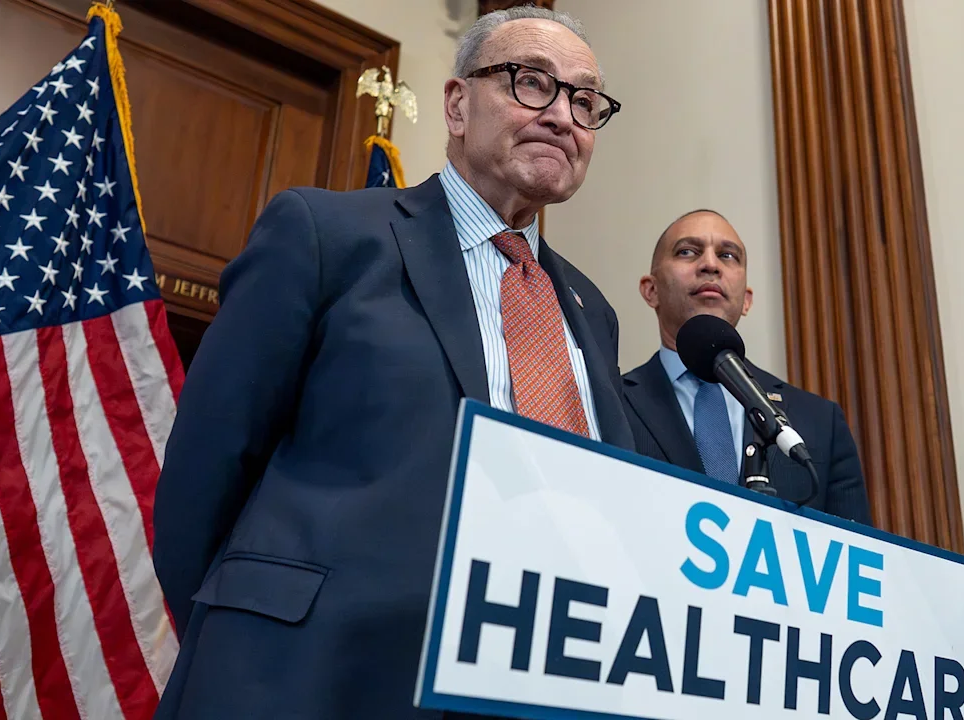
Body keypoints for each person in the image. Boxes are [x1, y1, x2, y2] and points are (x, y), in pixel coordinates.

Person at [152, 7, 630, 718]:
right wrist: (248, 639)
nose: (563, 116)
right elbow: (206, 467)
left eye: (585, 101)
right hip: (304, 678)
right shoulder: (326, 235)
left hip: (523, 685)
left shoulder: (593, 310)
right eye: (532, 83)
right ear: (457, 105)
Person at [622, 209, 871, 524]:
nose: (710, 264)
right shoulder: (611, 402)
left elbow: (853, 545)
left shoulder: (820, 421)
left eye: (727, 255)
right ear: (651, 290)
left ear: (747, 300)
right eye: (687, 251)